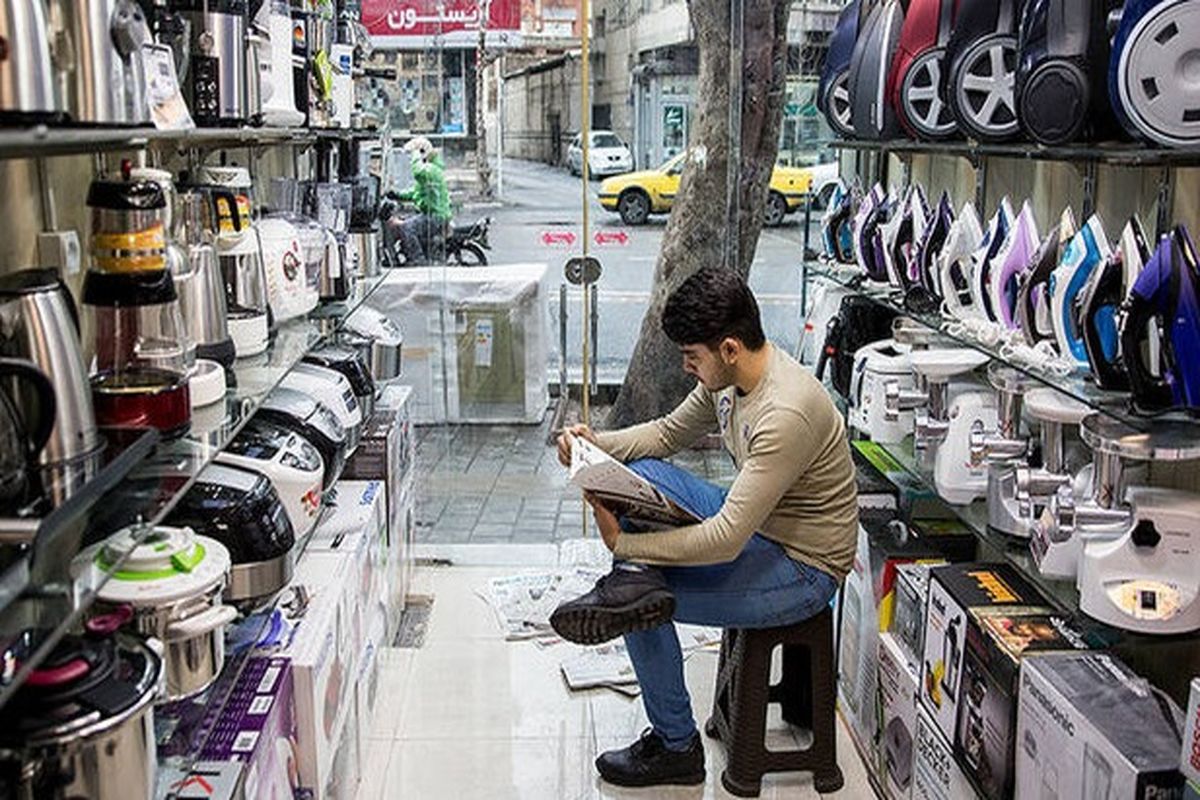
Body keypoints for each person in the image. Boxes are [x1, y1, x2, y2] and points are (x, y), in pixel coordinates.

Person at [549, 266, 858, 788]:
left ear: (730, 348)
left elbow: (724, 539)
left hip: (803, 565)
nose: (687, 367)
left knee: (641, 598)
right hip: (759, 524)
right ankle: (630, 576)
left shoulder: (785, 412)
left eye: (693, 357)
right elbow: (667, 434)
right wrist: (594, 444)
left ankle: (676, 748)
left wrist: (624, 542)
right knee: (641, 478)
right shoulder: (734, 378)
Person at [394, 136, 452, 264]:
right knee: (407, 220)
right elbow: (415, 193)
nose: (410, 159)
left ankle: (418, 261)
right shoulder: (431, 169)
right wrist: (395, 195)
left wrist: (416, 153)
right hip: (433, 213)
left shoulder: (430, 170)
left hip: (435, 216)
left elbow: (417, 172)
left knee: (407, 227)